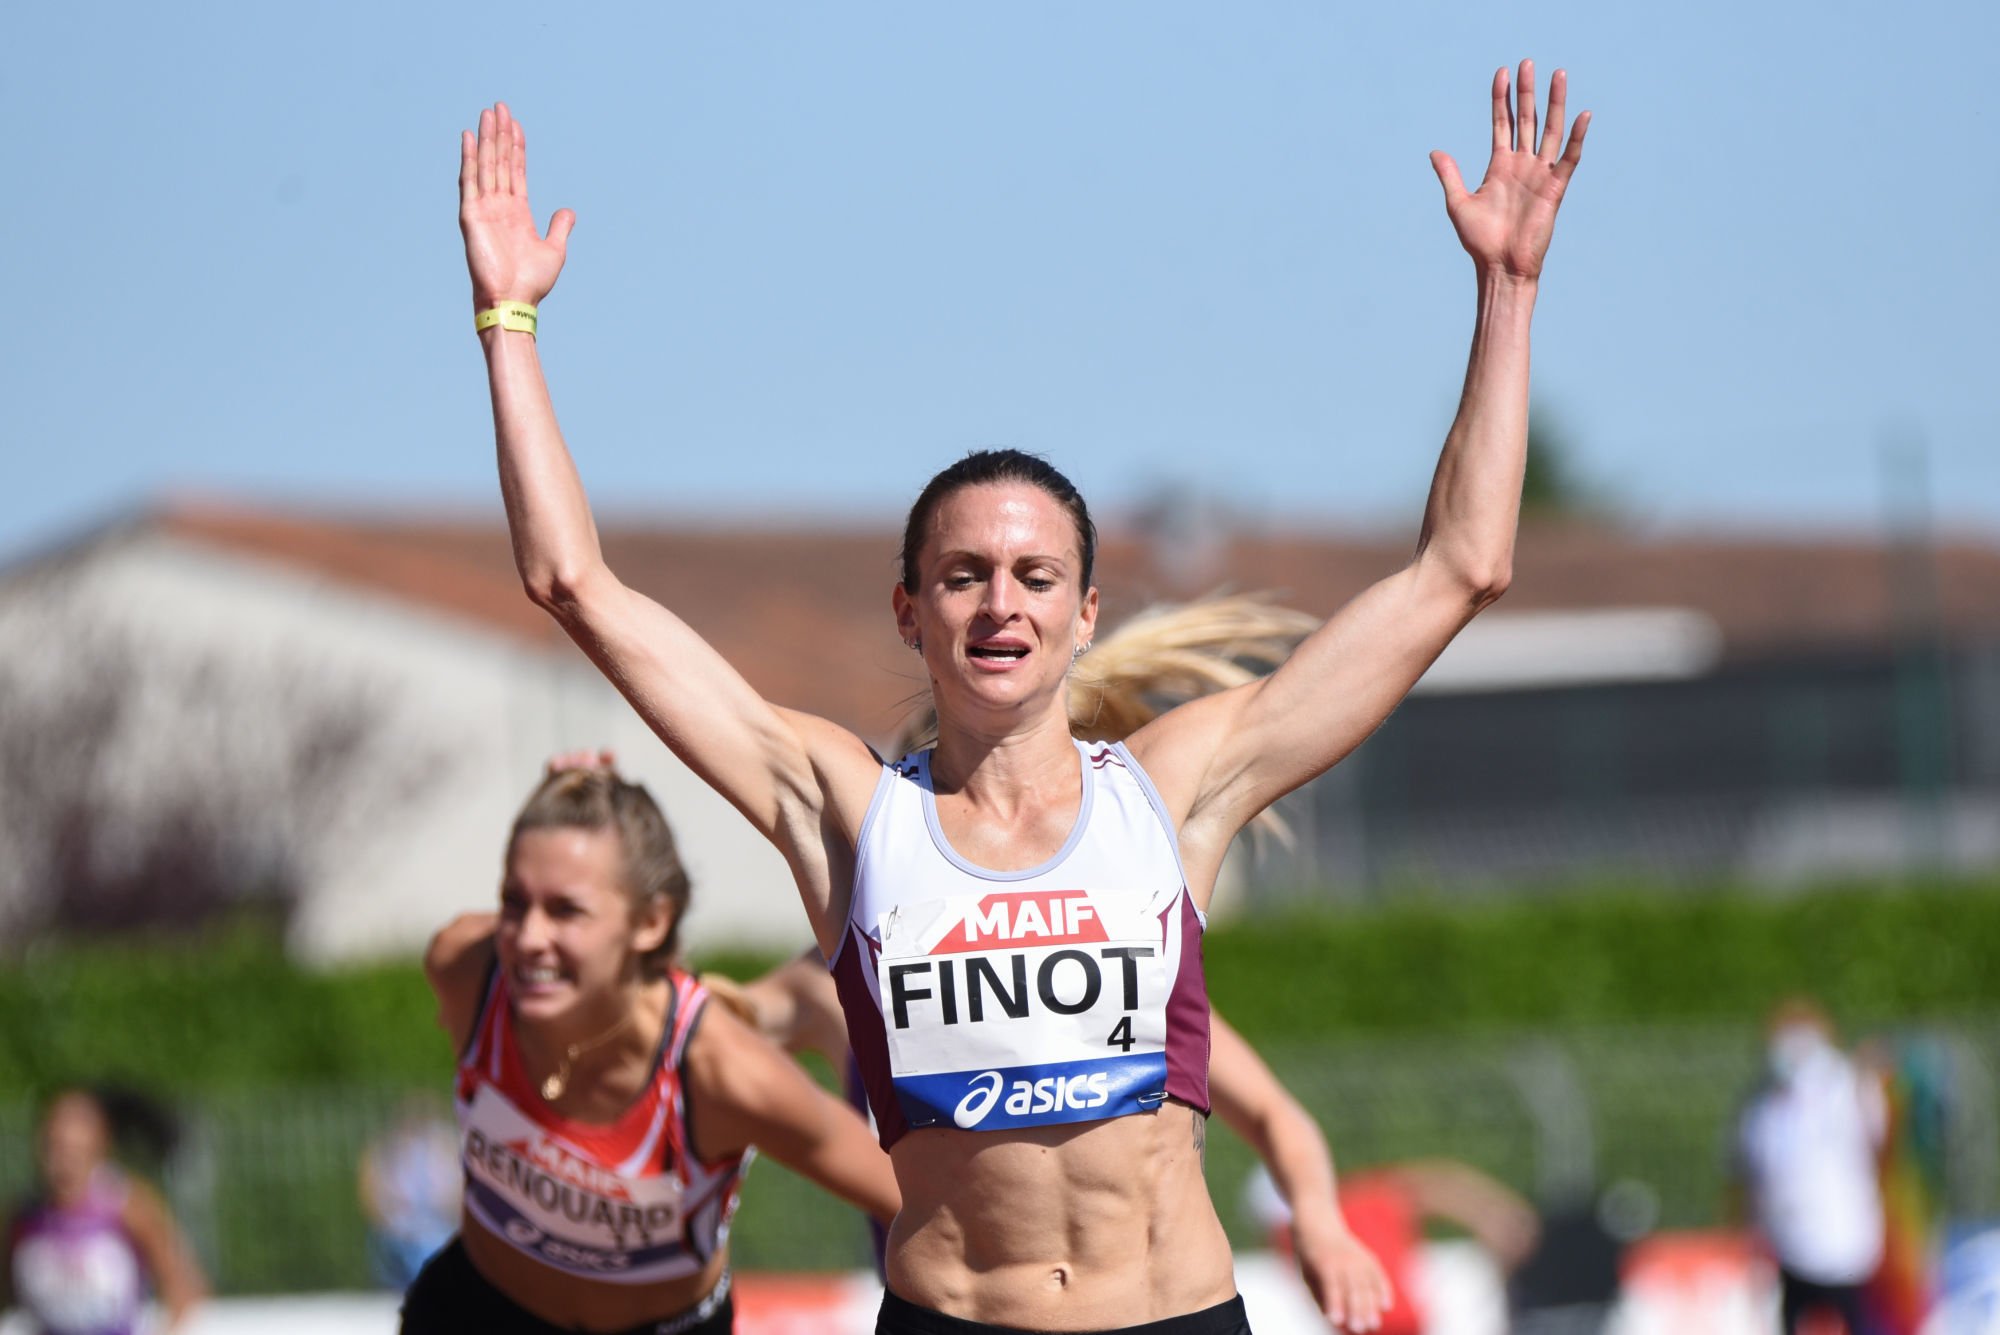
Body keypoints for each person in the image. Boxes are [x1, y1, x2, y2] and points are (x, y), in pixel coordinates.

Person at [458, 56, 1588, 1334]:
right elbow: (571, 583)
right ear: (910, 611)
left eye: (1035, 576)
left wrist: (1507, 290)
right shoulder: (844, 808)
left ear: (1083, 612)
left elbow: (1460, 569)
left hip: (1171, 1314)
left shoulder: (1171, 787)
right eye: (963, 576)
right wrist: (509, 323)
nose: (1000, 604)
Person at [404, 764, 901, 1334]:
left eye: (566, 909)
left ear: (651, 921)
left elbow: (909, 1196)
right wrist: (573, 803)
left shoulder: (723, 1073)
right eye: (514, 903)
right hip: (476, 1313)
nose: (529, 938)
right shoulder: (466, 970)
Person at [1731, 998, 1888, 1335]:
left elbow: (1878, 1132)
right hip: (1787, 1247)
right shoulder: (1762, 1105)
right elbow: (1752, 1175)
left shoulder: (1847, 1085)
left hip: (1848, 1244)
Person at [4, 1085, 206, 1335]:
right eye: (55, 1147)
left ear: (99, 1146)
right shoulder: (25, 1217)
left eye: (73, 1150)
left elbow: (184, 1286)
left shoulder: (126, 1205)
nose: (63, 1163)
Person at [358, 1095, 461, 1290]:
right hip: (401, 1232)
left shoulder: (444, 1147)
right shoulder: (388, 1149)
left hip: (433, 1230)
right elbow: (371, 1190)